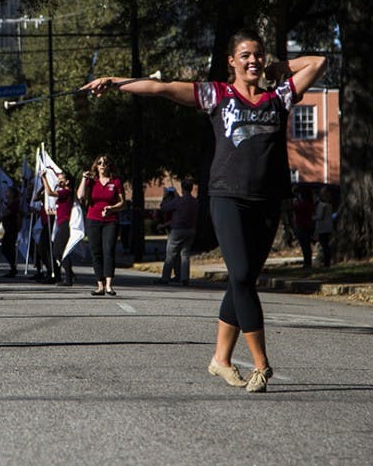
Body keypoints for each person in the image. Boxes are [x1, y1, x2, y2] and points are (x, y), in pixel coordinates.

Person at [86, 28, 326, 392]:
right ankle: (262, 364)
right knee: (243, 274)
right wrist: (115, 81)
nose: (252, 61)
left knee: (241, 281)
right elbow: (161, 88)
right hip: (227, 197)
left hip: (268, 201)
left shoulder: (279, 96)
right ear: (232, 61)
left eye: (257, 55)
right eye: (244, 55)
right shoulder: (217, 94)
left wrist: (279, 65)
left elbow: (319, 62)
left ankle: (220, 359)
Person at [77, 155, 124, 297]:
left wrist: (111, 208)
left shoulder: (115, 182)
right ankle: (100, 286)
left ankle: (109, 285)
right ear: (96, 166)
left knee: (108, 250)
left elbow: (122, 203)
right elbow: (80, 196)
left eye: (105, 163)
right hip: (93, 220)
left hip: (110, 220)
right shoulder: (92, 181)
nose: (102, 165)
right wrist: (84, 179)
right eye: (100, 163)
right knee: (95, 252)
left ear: (109, 166)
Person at [159, 179, 198, 285]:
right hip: (191, 230)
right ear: (191, 188)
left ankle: (165, 278)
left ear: (182, 187)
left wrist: (166, 196)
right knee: (185, 254)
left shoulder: (178, 201)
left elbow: (163, 208)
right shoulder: (195, 201)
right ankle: (184, 278)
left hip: (177, 230)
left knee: (170, 254)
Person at [42, 169, 75, 286]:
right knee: (58, 251)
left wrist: (44, 178)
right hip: (61, 222)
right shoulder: (63, 192)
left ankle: (69, 277)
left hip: (66, 223)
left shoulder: (66, 191)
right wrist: (54, 213)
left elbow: (50, 193)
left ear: (67, 181)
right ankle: (69, 274)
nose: (59, 181)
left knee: (60, 250)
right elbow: (63, 209)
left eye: (61, 179)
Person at [292, 186, 315, 268]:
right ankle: (307, 261)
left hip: (303, 225)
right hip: (303, 225)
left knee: (305, 245)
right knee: (305, 245)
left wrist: (296, 203)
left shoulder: (304, 204)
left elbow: (296, 208)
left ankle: (307, 262)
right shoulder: (308, 203)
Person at [313, 187, 334, 268]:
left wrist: (312, 217)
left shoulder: (322, 205)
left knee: (324, 245)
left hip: (323, 227)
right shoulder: (329, 205)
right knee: (326, 245)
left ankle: (326, 263)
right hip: (328, 226)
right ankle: (327, 262)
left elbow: (320, 216)